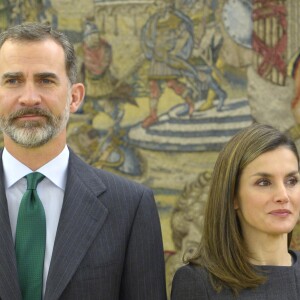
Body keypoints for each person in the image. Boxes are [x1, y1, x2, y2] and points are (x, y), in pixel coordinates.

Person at [0, 22, 167, 300]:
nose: (29, 98)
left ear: (74, 97)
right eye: (13, 81)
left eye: (46, 80)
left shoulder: (131, 208)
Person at [171, 123, 300, 299]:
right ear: (233, 196)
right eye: (264, 182)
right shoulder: (199, 283)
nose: (283, 196)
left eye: (292, 180)